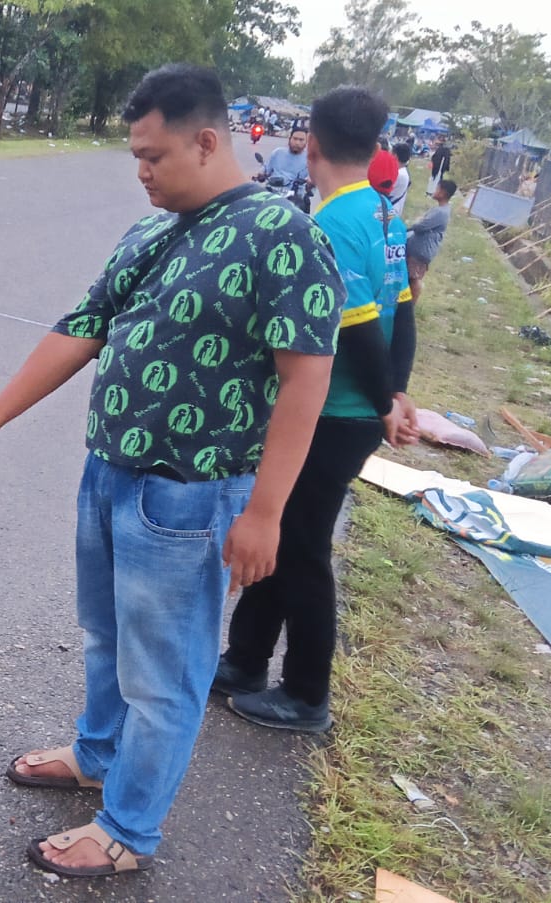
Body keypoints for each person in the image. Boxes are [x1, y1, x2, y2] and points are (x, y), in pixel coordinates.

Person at [0, 64, 343, 879]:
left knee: (164, 675)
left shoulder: (282, 236)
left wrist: (265, 512)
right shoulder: (153, 231)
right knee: (106, 638)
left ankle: (128, 828)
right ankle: (97, 754)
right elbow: (84, 324)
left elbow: (307, 378)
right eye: (135, 156)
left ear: (206, 142)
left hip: (189, 497)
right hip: (111, 475)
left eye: (152, 156)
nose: (141, 172)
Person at [217, 86, 418, 732]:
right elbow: (403, 312)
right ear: (376, 146)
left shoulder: (331, 225)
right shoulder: (385, 213)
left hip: (333, 414)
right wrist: (398, 392)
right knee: (285, 534)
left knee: (303, 550)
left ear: (315, 145)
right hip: (358, 408)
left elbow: (357, 332)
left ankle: (306, 693)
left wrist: (384, 403)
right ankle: (245, 659)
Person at [406, 179, 457, 305]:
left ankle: (411, 306)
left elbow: (421, 226)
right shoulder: (440, 209)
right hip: (419, 249)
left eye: (437, 188)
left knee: (414, 278)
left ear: (443, 193)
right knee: (411, 276)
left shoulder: (441, 212)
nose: (434, 191)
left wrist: (414, 223)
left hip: (421, 251)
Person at [390, 143, 413, 209]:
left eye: (391, 154)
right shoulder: (403, 172)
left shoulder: (399, 174)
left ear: (395, 156)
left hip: (390, 209)